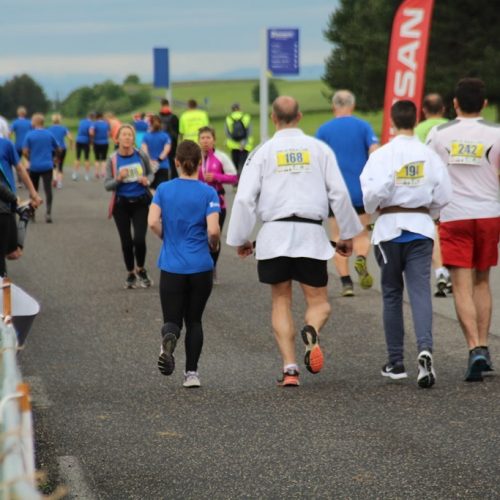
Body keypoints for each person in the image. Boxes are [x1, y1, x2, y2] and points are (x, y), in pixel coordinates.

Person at [226, 96, 363, 387]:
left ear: (273, 118)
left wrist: (240, 238)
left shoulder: (262, 151)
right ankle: (311, 329)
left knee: (280, 300)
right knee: (319, 303)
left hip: (274, 234)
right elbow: (339, 193)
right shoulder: (319, 149)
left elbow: (245, 198)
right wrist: (348, 234)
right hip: (310, 233)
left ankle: (290, 369)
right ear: (299, 117)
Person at [360, 100, 452, 388]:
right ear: (416, 120)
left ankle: (396, 362)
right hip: (421, 229)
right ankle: (425, 348)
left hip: (388, 231)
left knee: (391, 294)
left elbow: (369, 199)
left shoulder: (381, 155)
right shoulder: (429, 155)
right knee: (420, 291)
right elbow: (444, 196)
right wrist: (428, 213)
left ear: (392, 121)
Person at [426, 78, 500, 382]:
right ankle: (484, 345)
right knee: (482, 280)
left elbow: (429, 173)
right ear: (485, 104)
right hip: (489, 214)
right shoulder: (496, 132)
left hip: (454, 215)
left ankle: (474, 348)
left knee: (461, 284)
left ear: (454, 104)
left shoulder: (438, 134)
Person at [148, 140, 220, 388]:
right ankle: (191, 374)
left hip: (172, 265)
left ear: (176, 162)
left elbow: (152, 222)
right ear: (200, 163)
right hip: (200, 265)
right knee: (195, 320)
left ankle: (169, 337)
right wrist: (213, 246)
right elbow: (213, 230)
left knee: (172, 320)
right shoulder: (208, 192)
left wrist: (166, 237)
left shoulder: (163, 189)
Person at [316, 90, 379, 297]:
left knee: (338, 236)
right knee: (361, 233)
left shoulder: (323, 130)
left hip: (334, 193)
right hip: (359, 190)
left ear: (333, 106)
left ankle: (346, 283)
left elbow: (316, 159)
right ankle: (361, 258)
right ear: (353, 105)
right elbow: (375, 151)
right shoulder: (363, 126)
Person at [104, 124, 154, 289]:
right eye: (124, 135)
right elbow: (107, 185)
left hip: (140, 202)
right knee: (126, 242)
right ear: (117, 139)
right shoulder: (112, 159)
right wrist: (118, 179)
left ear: (133, 138)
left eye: (130, 135)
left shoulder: (141, 155)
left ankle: (141, 268)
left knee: (139, 239)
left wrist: (147, 180)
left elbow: (150, 174)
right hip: (121, 205)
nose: (127, 137)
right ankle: (131, 273)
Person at [415, 93, 451, 297]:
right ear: (443, 109)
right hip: (453, 184)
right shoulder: (450, 126)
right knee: (451, 229)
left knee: (434, 228)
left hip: (429, 185)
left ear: (424, 110)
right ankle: (454, 270)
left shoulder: (418, 130)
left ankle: (440, 271)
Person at [198, 126, 238, 283]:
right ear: (198, 140)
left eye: (208, 138)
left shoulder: (221, 157)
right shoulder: (195, 157)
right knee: (199, 237)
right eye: (202, 138)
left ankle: (212, 266)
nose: (205, 141)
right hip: (197, 204)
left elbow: (233, 177)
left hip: (218, 204)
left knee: (214, 236)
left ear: (214, 140)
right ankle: (201, 269)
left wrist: (216, 177)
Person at [0, 136, 42, 276]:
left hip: (6, 203)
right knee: (8, 253)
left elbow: (20, 169)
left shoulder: (6, 144)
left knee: (12, 252)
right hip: (7, 202)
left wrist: (33, 193)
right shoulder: (6, 144)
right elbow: (20, 169)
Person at [23, 113, 60, 223]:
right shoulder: (49, 134)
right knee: (48, 190)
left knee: (33, 190)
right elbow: (58, 148)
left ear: (34, 122)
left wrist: (29, 158)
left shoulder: (29, 135)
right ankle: (48, 213)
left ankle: (32, 213)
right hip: (47, 165)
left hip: (34, 166)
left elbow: (24, 151)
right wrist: (56, 158)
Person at [141, 115, 172, 189]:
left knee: (151, 189)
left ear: (150, 124)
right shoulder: (165, 136)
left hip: (150, 167)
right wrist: (158, 160)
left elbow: (144, 151)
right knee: (163, 189)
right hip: (163, 166)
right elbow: (166, 150)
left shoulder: (146, 136)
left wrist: (150, 161)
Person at [224, 103, 254, 175]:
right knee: (244, 164)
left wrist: (234, 141)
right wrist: (243, 142)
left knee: (235, 164)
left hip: (233, 145)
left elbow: (227, 133)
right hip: (245, 145)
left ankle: (236, 178)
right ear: (240, 109)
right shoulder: (246, 117)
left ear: (232, 109)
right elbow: (249, 131)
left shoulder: (228, 118)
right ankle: (243, 178)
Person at [48, 113, 74, 189]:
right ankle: (59, 183)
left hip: (52, 149)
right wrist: (71, 145)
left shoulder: (49, 129)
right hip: (62, 148)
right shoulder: (64, 128)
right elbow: (70, 138)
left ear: (52, 120)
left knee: (53, 165)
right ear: (60, 120)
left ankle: (54, 178)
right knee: (60, 165)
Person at [159, 99, 179, 175]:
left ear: (161, 105)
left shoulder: (158, 117)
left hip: (161, 141)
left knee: (162, 159)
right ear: (168, 105)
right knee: (172, 160)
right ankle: (174, 176)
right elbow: (177, 131)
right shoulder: (174, 117)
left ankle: (165, 176)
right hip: (172, 141)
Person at [73, 112, 95, 181]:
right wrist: (92, 140)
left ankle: (75, 174)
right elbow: (91, 132)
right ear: (93, 117)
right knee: (86, 159)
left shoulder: (81, 121)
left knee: (77, 158)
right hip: (86, 141)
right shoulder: (91, 123)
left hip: (78, 140)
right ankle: (87, 175)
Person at [90, 112, 111, 179]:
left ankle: (96, 173)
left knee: (97, 159)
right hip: (105, 142)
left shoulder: (94, 124)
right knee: (104, 159)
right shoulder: (106, 124)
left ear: (97, 117)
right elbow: (108, 133)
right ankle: (103, 173)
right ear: (102, 117)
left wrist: (94, 137)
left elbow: (91, 132)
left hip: (96, 142)